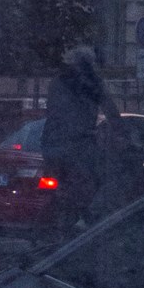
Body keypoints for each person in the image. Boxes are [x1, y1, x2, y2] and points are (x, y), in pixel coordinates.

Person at [39, 45, 107, 229]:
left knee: (63, 182)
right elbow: (111, 112)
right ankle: (85, 217)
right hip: (78, 145)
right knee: (98, 178)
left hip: (50, 143)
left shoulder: (57, 82)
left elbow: (55, 111)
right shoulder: (93, 83)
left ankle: (65, 214)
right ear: (90, 63)